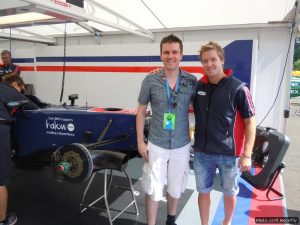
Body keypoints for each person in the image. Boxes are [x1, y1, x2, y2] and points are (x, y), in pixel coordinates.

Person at [136, 34, 197, 225]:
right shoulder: (150, 80)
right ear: (161, 55)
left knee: (176, 185)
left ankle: (171, 220)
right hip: (157, 143)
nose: (171, 56)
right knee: (153, 187)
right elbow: (141, 112)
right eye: (166, 52)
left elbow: (201, 110)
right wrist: (140, 141)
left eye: (175, 52)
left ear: (181, 55)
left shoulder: (191, 81)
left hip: (181, 143)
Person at [192, 41, 256, 225]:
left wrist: (247, 155)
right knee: (203, 191)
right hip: (202, 153)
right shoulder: (199, 87)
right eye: (205, 61)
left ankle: (226, 222)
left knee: (229, 193)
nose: (209, 64)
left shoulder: (238, 88)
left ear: (221, 60)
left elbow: (251, 122)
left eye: (213, 59)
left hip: (229, 154)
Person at [0, 75, 37, 225]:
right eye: (21, 89)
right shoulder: (8, 89)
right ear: (15, 83)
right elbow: (34, 108)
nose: (21, 92)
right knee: (0, 180)